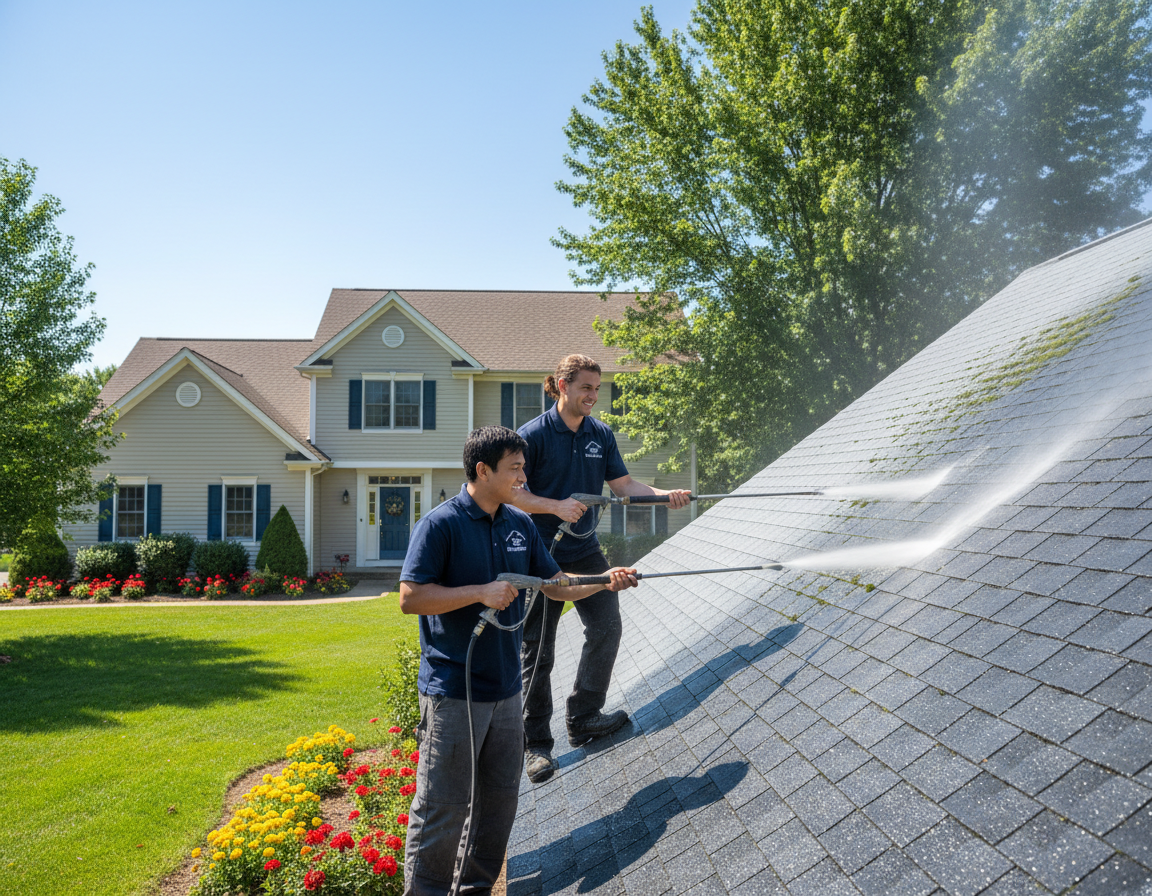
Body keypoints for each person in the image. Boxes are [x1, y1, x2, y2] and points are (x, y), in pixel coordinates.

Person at [398, 425, 639, 896]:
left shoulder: (518, 523)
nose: (524, 477)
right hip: (454, 692)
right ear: (482, 470)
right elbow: (411, 597)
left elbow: (554, 584)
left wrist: (603, 579)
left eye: (524, 467)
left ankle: (475, 889)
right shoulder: (441, 524)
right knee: (444, 805)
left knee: (501, 803)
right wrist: (479, 593)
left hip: (506, 689)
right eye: (515, 468)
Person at [513, 354, 690, 784]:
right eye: (585, 387)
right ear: (561, 385)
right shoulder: (530, 437)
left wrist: (665, 496)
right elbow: (512, 493)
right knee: (539, 650)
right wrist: (554, 506)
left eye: (597, 388)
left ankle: (585, 716)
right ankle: (535, 745)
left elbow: (625, 487)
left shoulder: (600, 435)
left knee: (607, 625)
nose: (593, 396)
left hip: (584, 547)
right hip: (539, 553)